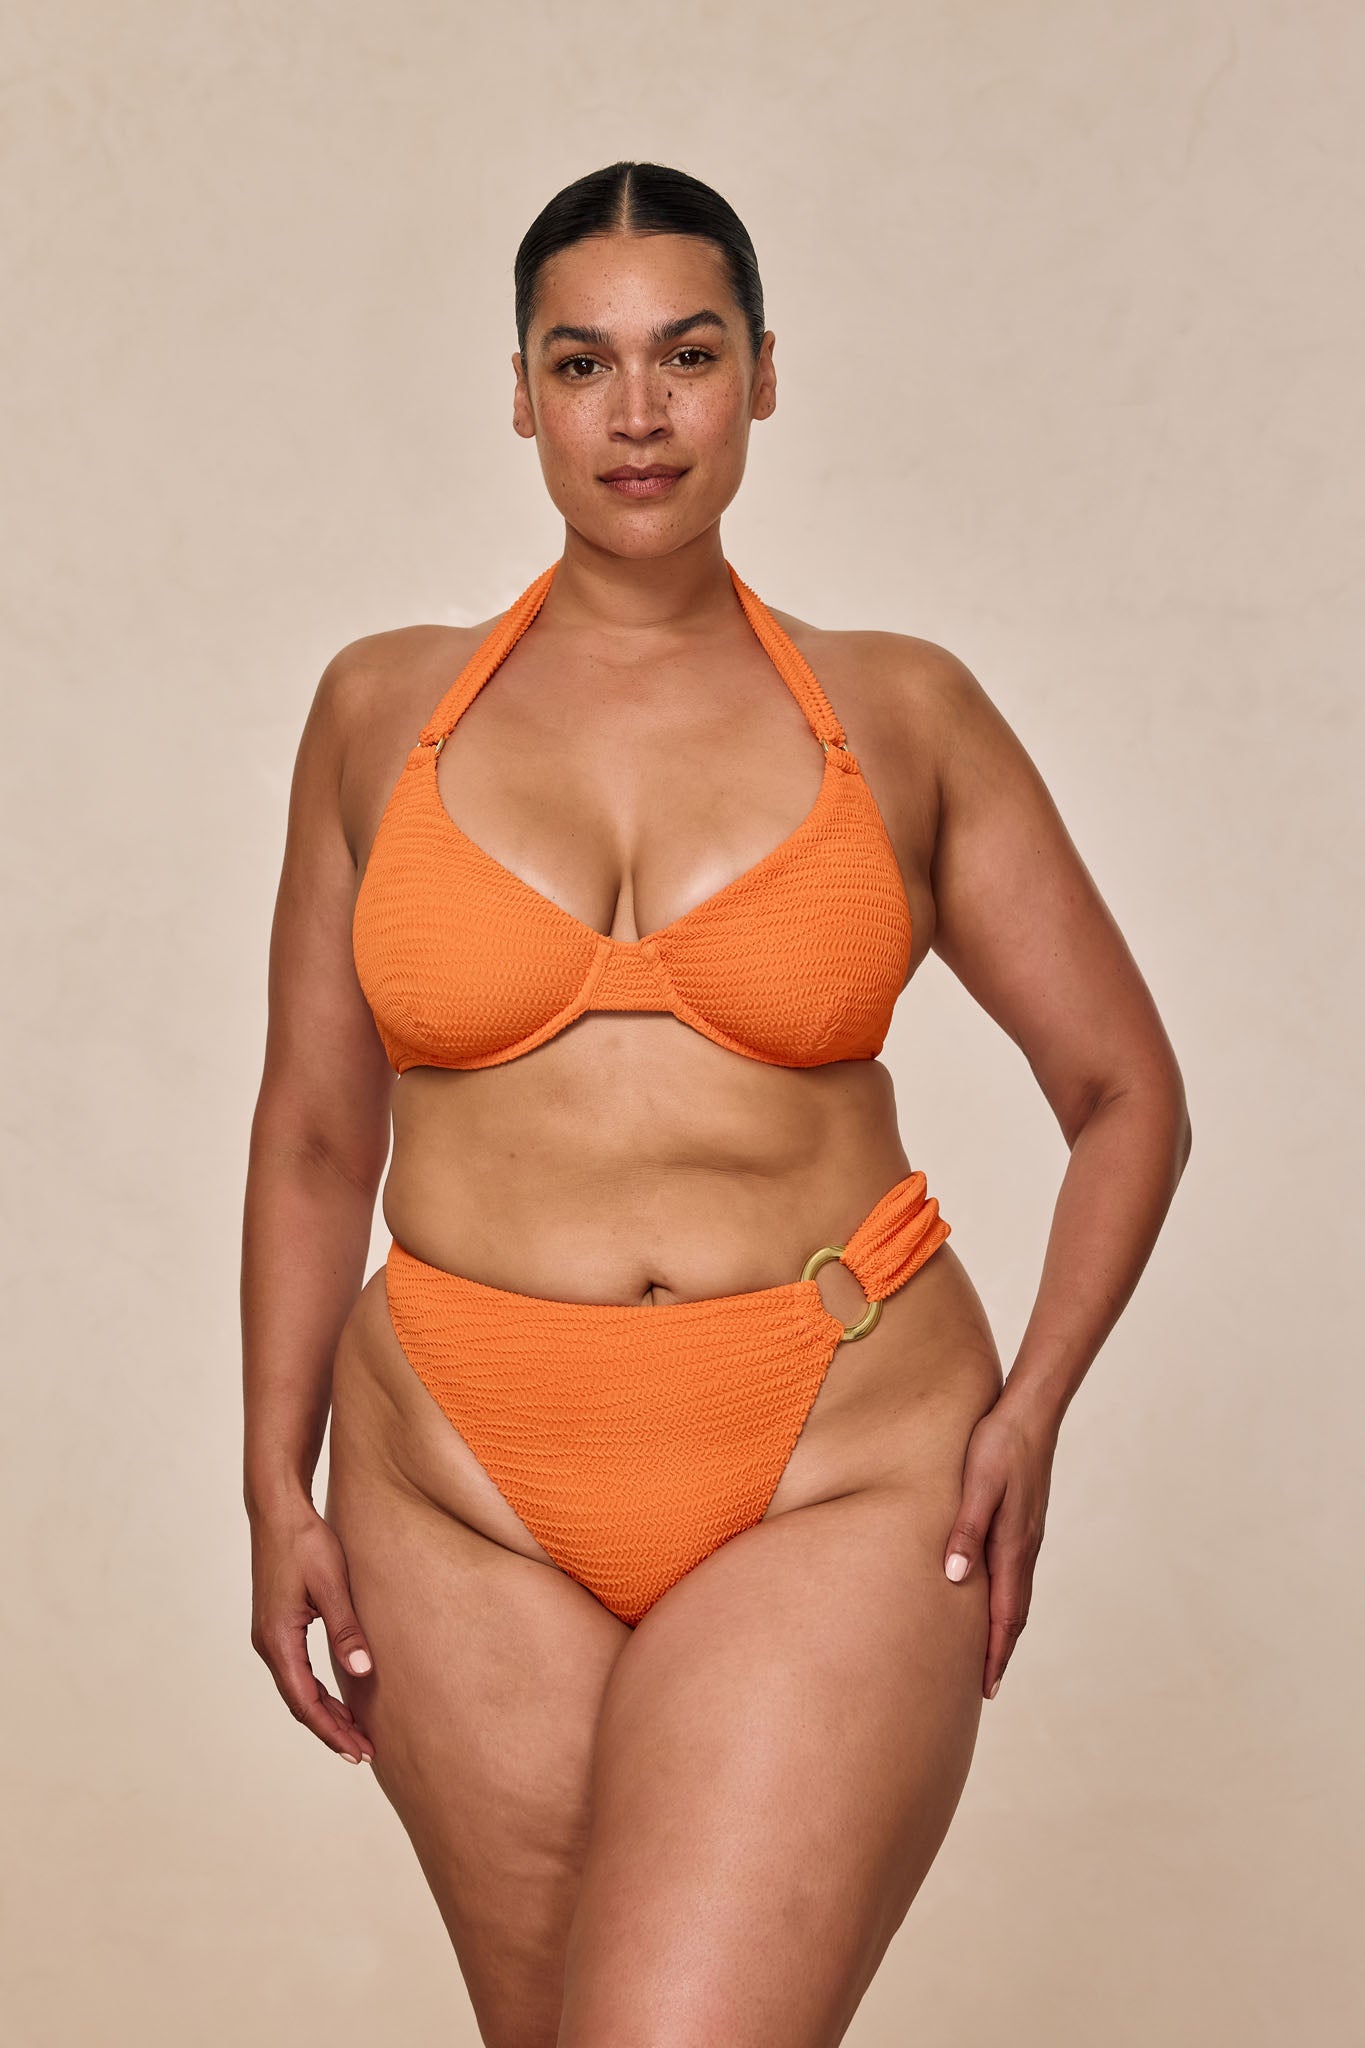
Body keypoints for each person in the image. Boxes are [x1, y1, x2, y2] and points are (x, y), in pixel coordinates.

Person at [242, 159, 1192, 2048]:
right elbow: (314, 1135)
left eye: (687, 354)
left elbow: (1122, 1094)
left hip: (835, 1460)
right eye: (581, 366)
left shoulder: (904, 712)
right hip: (457, 1482)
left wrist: (1034, 1410)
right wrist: (270, 1482)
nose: (638, 413)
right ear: (519, 396)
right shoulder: (376, 710)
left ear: (763, 374)